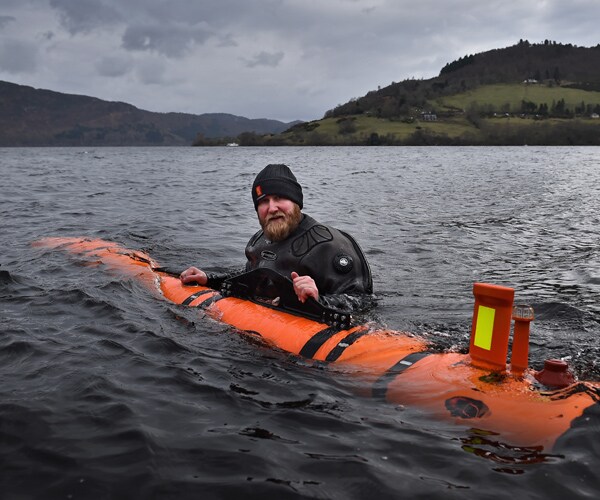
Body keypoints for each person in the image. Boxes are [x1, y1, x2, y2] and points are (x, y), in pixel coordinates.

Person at [180, 164, 373, 313]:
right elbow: (252, 276)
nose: (272, 208)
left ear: (296, 202)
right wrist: (210, 279)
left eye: (279, 198)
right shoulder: (259, 241)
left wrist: (319, 300)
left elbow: (364, 302)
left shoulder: (331, 246)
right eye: (263, 201)